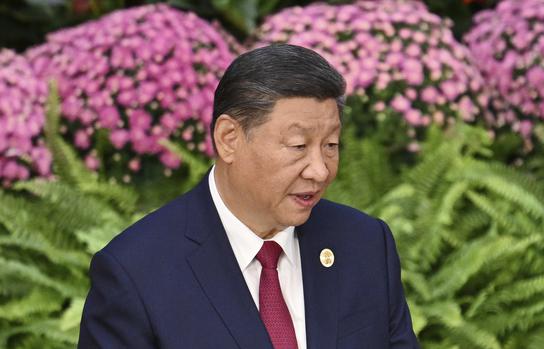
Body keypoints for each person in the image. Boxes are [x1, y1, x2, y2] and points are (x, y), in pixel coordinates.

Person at [78, 44, 419, 349]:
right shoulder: (135, 273)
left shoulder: (365, 243)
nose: (320, 170)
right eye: (298, 146)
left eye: (330, 145)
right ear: (229, 139)